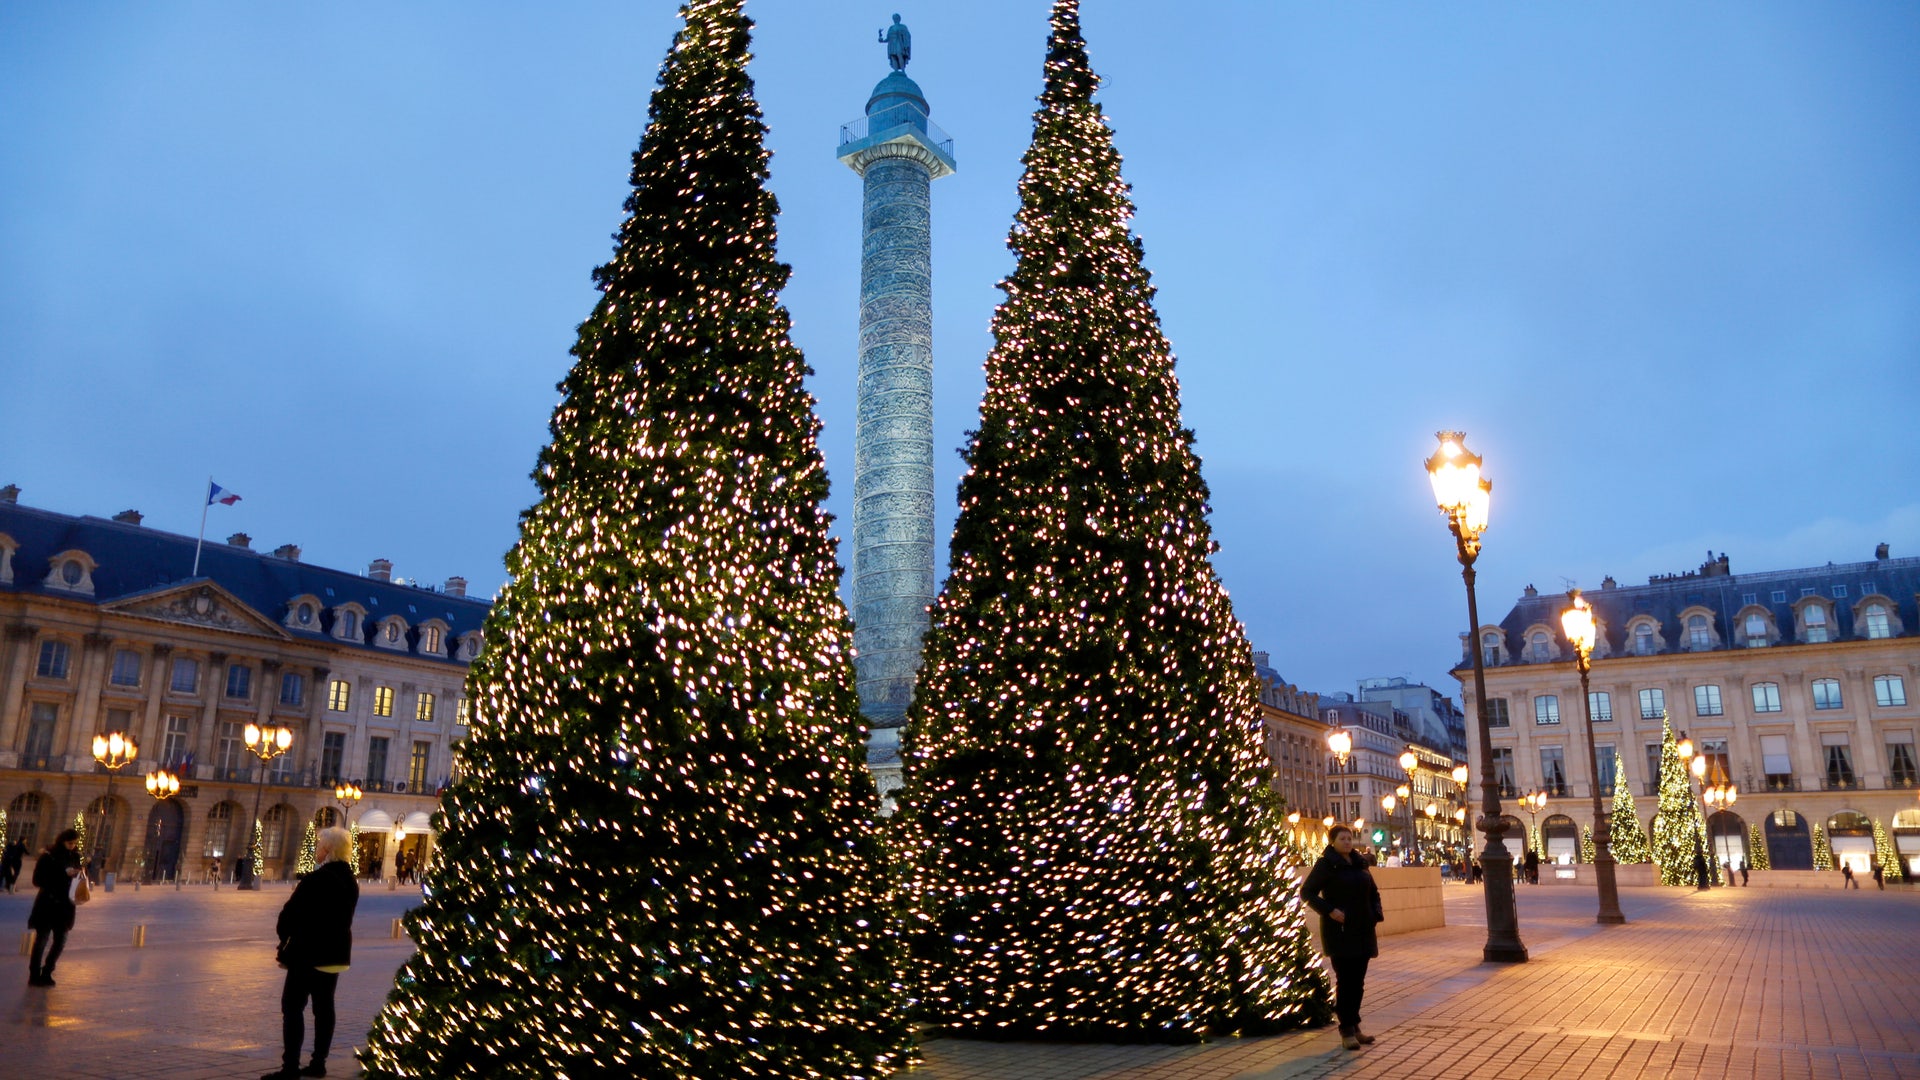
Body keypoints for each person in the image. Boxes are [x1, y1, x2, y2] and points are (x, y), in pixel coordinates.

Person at [265, 826, 359, 1080]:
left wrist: (285, 936)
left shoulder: (315, 880)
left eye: (320, 846)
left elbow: (289, 915)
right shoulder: (350, 881)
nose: (317, 849)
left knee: (293, 1007)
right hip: (335, 955)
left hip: (307, 954)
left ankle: (291, 1067)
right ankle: (319, 1063)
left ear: (327, 850)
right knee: (324, 1007)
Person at [1301, 825, 1384, 1051]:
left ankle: (1355, 1025)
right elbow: (1306, 892)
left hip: (1363, 929)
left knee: (1358, 982)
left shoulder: (1360, 863)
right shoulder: (1327, 864)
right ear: (1333, 841)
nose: (1347, 842)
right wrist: (1329, 910)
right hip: (1340, 931)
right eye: (1342, 838)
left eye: (1349, 838)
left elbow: (1373, 892)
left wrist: (1375, 914)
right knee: (1345, 981)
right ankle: (1346, 1029)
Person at [27, 828, 82, 987]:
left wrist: (79, 875)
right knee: (42, 941)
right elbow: (37, 880)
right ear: (62, 841)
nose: (72, 846)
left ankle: (47, 971)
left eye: (74, 843)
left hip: (65, 907)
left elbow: (76, 881)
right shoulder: (48, 857)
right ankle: (34, 974)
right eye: (69, 843)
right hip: (47, 904)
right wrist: (63, 874)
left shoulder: (75, 856)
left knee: (60, 942)